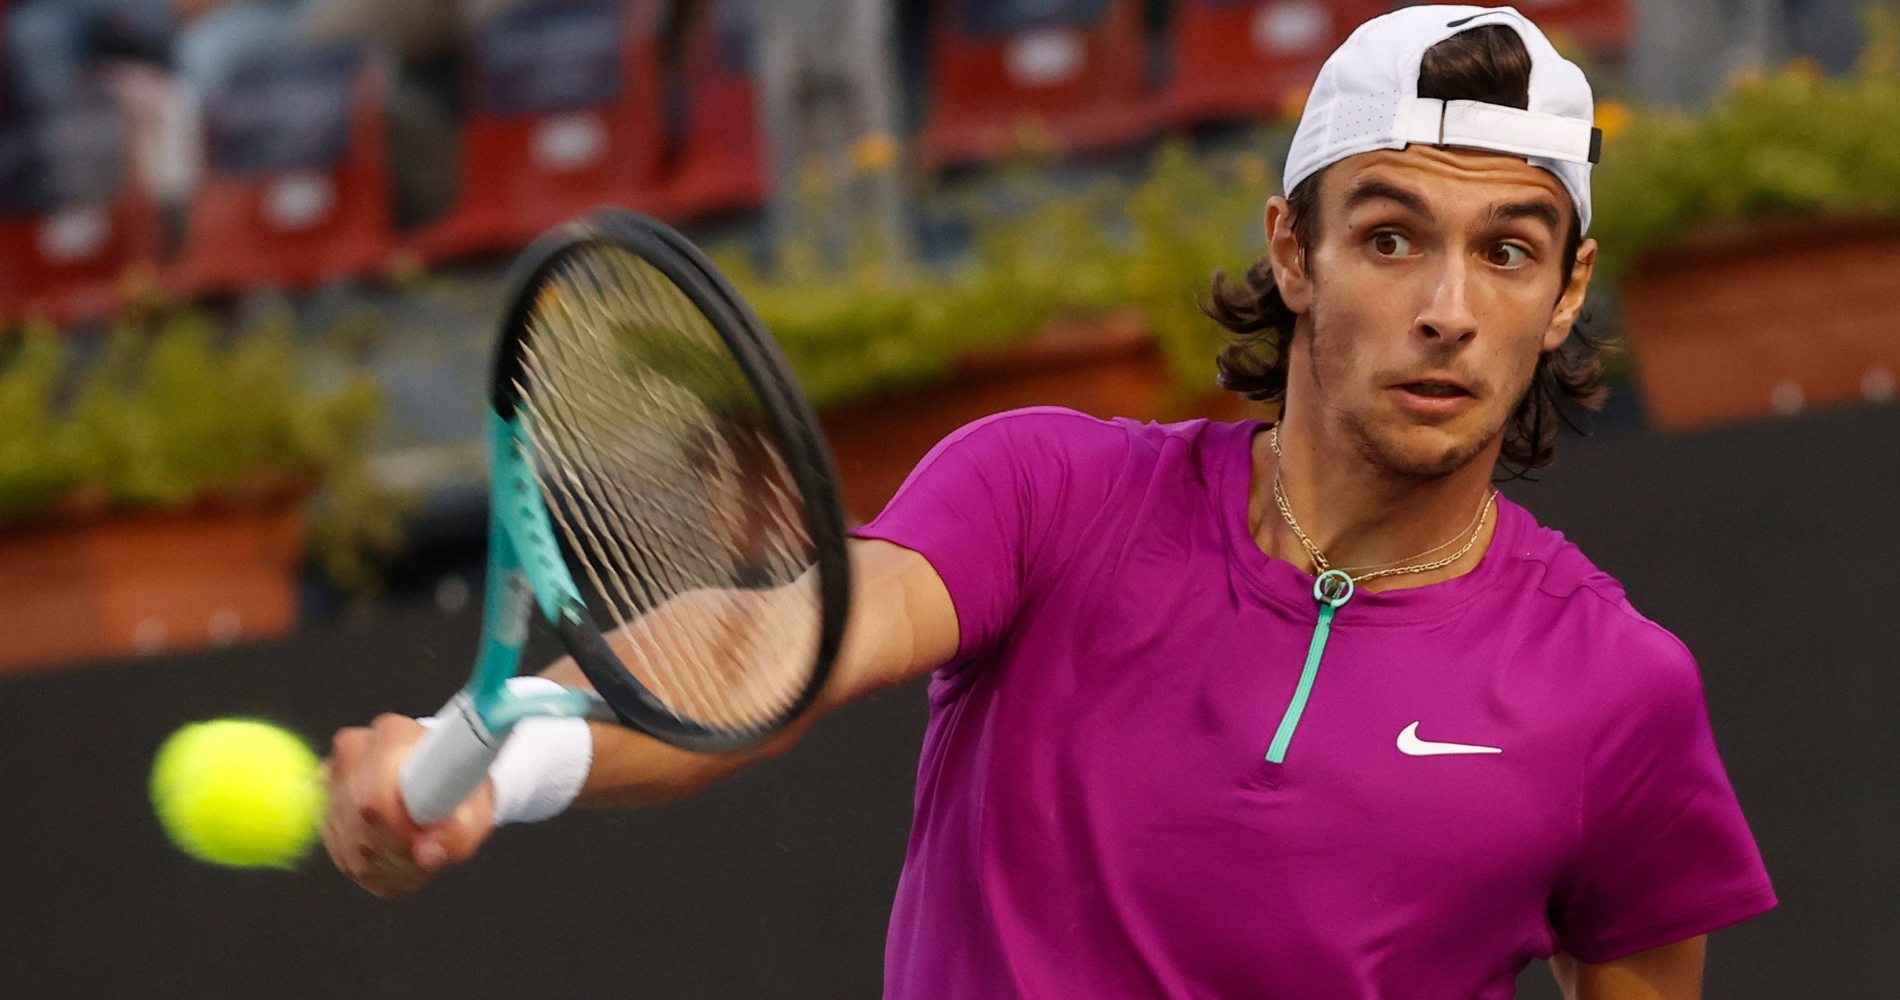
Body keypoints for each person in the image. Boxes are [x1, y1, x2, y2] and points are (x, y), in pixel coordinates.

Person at [322, 6, 1777, 998]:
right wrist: (491, 762)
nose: (1450, 309)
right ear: (1292, 251)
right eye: (1392, 236)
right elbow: (783, 643)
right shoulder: (1051, 491)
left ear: (1567, 289)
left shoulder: (1618, 694)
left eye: (1510, 252)